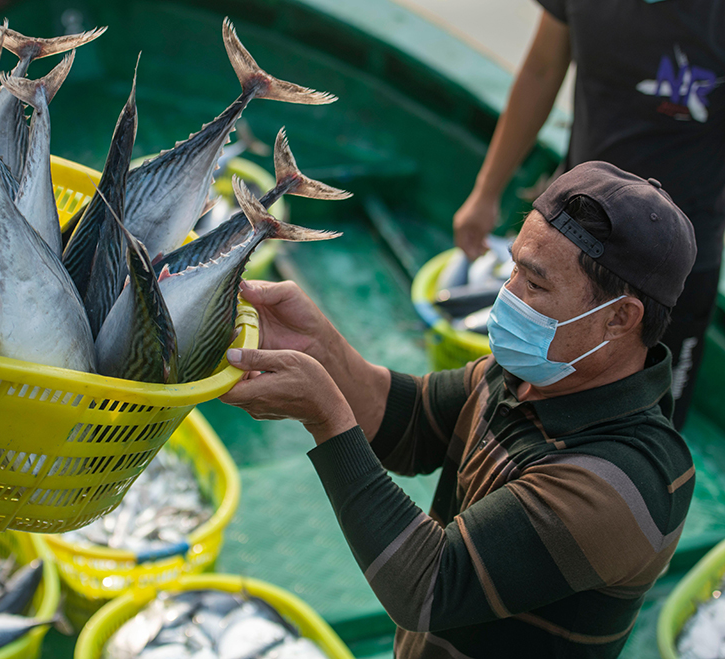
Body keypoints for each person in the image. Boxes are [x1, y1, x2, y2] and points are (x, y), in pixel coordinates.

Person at [221, 162, 697, 658]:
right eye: (512, 267)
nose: (507, 296)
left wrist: (326, 417)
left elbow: (429, 586)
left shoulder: (624, 482)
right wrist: (321, 347)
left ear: (620, 317)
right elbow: (408, 422)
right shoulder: (536, 375)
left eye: (535, 286)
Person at [452, 0, 725, 429]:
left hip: (679, 269)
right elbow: (541, 69)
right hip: (572, 243)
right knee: (522, 402)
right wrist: (485, 192)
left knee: (657, 428)